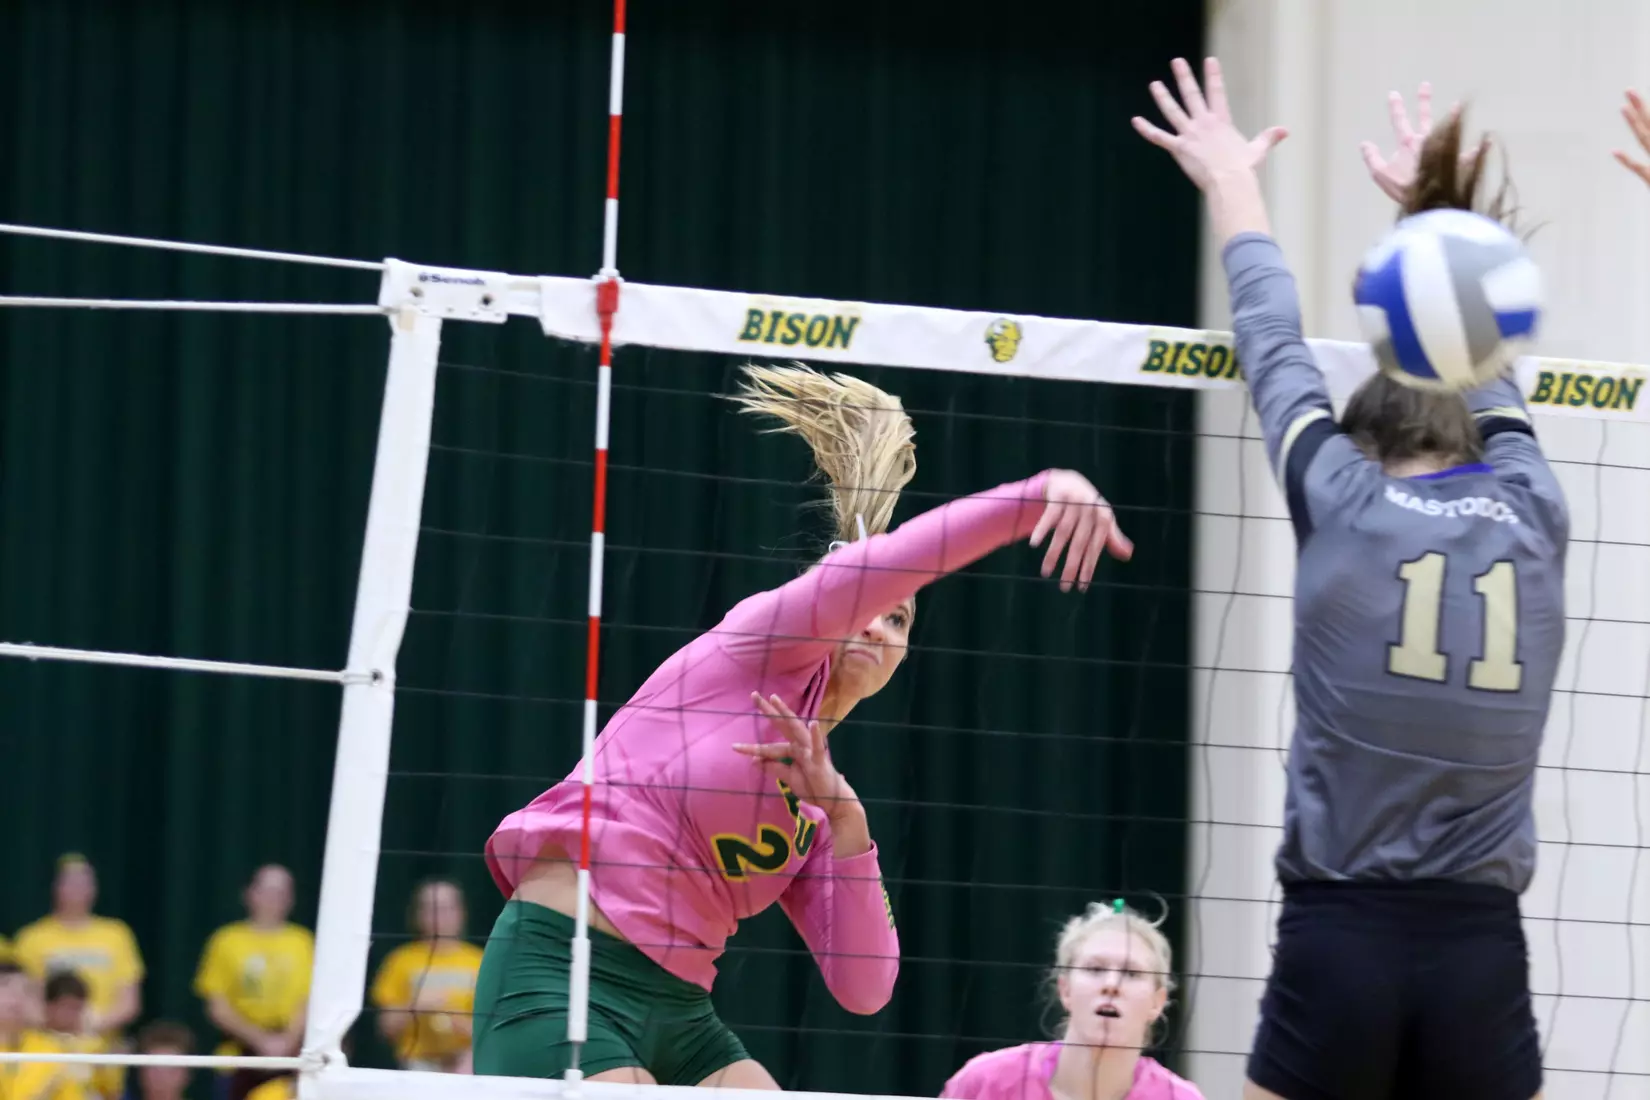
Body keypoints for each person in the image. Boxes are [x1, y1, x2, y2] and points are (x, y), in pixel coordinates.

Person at [474, 363, 1133, 1089]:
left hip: (682, 1010)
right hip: (564, 967)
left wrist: (846, 821)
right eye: (875, 603)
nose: (880, 625)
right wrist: (1033, 498)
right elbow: (891, 565)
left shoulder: (814, 803)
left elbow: (866, 988)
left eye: (901, 621)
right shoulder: (760, 644)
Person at [1134, 60, 1566, 1100]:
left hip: (1343, 932)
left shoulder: (1342, 498)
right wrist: (1436, 220)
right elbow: (1480, 359)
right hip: (1481, 948)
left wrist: (1232, 182)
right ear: (1475, 431)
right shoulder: (1535, 508)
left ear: (1364, 443)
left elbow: (1270, 338)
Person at [941, 902, 1202, 1100]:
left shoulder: (1178, 1097)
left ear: (1157, 1002)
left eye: (1131, 973)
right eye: (1095, 969)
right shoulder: (987, 1081)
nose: (1111, 985)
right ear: (1065, 990)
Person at [193, 865, 313, 1100]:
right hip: (239, 1056)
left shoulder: (303, 942)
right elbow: (217, 1005)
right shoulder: (226, 941)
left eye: (282, 892)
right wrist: (260, 1041)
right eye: (267, 890)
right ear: (249, 894)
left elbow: (309, 1000)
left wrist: (286, 1042)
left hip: (293, 1057)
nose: (274, 899)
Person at [13, 855, 143, 1038]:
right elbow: (22, 998)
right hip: (47, 1050)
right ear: (56, 887)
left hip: (102, 1050)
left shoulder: (116, 934)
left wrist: (92, 1023)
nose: (77, 890)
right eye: (70, 883)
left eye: (84, 883)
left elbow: (129, 1002)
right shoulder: (31, 938)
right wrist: (58, 1025)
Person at [371, 877, 484, 1073]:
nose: (439, 916)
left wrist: (458, 1022)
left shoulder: (481, 961)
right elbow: (384, 1029)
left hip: (468, 1065)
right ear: (418, 914)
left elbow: (496, 1030)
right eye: (431, 908)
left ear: (461, 912)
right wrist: (415, 1006)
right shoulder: (400, 960)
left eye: (446, 908)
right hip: (416, 1067)